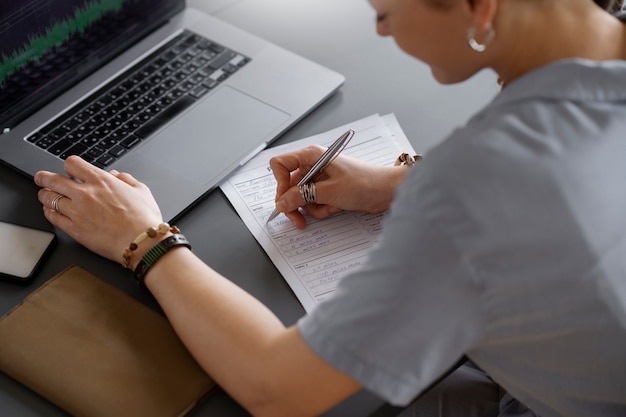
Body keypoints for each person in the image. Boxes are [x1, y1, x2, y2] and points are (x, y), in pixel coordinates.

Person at [33, 0, 626, 415]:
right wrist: (390, 186)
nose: (384, 33)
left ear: (481, 7)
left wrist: (144, 239)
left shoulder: (481, 182)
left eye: (385, 15)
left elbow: (278, 389)